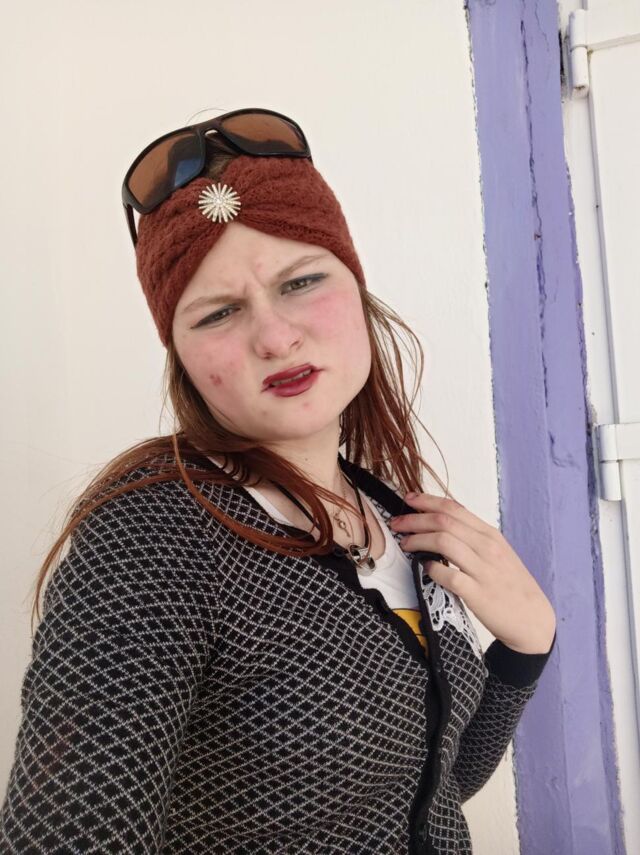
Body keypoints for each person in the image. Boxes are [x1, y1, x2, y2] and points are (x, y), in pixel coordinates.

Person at [0, 107, 556, 854]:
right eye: (218, 312)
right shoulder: (153, 542)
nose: (274, 335)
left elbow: (427, 789)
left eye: (302, 281)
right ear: (181, 356)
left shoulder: (393, 517)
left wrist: (524, 649)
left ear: (357, 289)